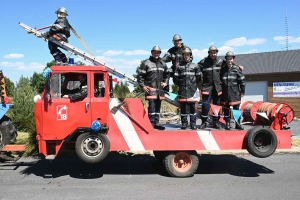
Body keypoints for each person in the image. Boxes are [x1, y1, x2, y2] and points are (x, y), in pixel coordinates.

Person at [137, 45, 169, 130]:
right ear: (152, 52)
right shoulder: (146, 63)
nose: (156, 54)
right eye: (154, 52)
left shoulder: (163, 63)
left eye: (158, 52)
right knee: (152, 107)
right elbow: (140, 76)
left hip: (160, 91)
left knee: (158, 107)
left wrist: (165, 82)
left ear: (160, 53)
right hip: (150, 90)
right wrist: (143, 86)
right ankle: (150, 124)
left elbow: (167, 74)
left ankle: (156, 123)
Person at [173, 48, 202, 130]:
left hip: (192, 90)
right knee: (183, 109)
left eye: (188, 54)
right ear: (183, 56)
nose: (186, 56)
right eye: (185, 54)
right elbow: (175, 78)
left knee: (193, 108)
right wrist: (181, 84)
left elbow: (199, 77)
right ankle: (184, 124)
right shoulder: (179, 67)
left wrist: (193, 84)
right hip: (182, 90)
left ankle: (193, 124)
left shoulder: (195, 66)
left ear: (190, 56)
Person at [198, 46, 223, 129]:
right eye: (211, 53)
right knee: (205, 106)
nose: (213, 54)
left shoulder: (220, 61)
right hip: (207, 87)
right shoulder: (203, 62)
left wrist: (237, 65)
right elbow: (195, 69)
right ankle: (204, 122)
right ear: (209, 53)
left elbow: (229, 65)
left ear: (217, 53)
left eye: (214, 52)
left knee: (217, 106)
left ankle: (216, 122)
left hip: (217, 88)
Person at [220, 51, 246, 130]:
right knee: (226, 109)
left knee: (236, 110)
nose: (229, 60)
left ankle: (237, 124)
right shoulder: (223, 69)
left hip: (235, 93)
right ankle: (227, 123)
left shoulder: (237, 69)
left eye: (231, 59)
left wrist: (242, 91)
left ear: (233, 59)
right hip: (225, 94)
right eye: (228, 59)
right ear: (226, 59)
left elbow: (242, 81)